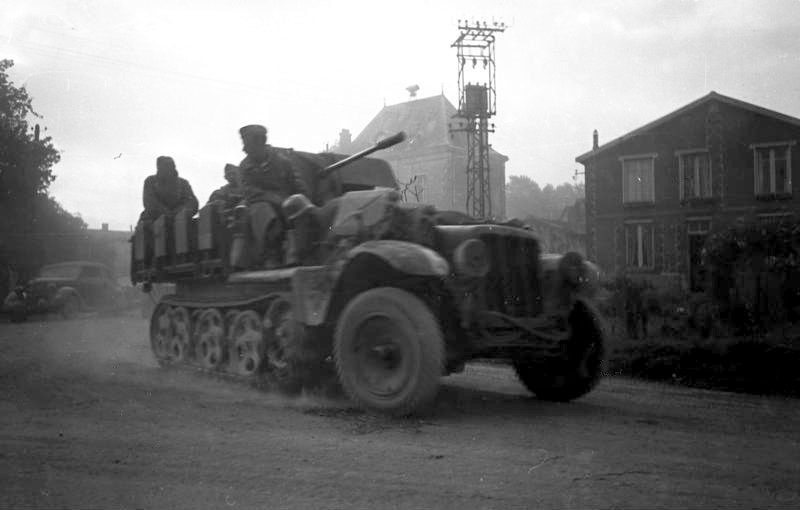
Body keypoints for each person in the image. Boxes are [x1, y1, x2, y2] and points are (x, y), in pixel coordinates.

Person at [238, 124, 308, 267]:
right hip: (258, 203)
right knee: (263, 211)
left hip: (285, 202)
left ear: (261, 143)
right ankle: (271, 254)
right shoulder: (244, 167)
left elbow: (297, 184)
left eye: (248, 145)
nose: (244, 149)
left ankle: (295, 253)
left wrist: (302, 199)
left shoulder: (283, 162)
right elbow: (248, 191)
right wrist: (273, 198)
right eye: (244, 144)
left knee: (299, 205)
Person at [139, 156, 198, 222]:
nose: (167, 168)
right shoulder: (150, 181)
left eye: (170, 165)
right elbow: (149, 202)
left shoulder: (183, 183)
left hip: (181, 220)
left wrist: (179, 212)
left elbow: (193, 203)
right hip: (153, 220)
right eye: (164, 166)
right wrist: (167, 214)